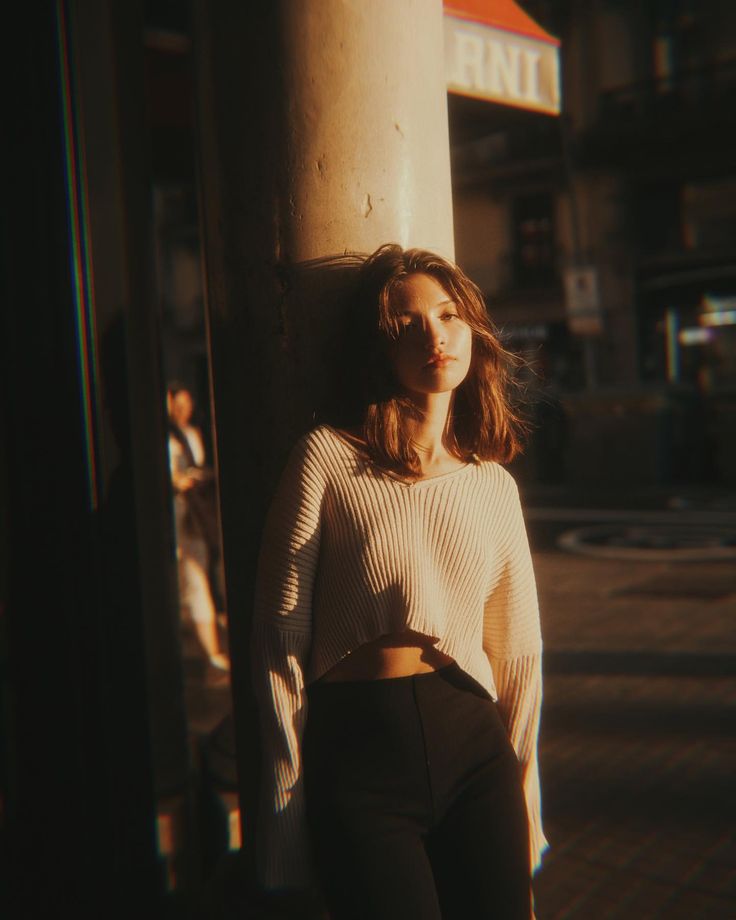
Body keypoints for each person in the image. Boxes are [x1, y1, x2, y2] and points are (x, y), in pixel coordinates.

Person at [251, 245, 547, 919]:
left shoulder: (493, 486)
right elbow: (277, 646)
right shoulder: (325, 459)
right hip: (360, 762)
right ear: (378, 348)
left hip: (475, 752)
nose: (434, 336)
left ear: (473, 330)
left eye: (448, 315)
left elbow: (520, 660)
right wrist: (281, 816)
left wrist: (528, 807)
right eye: (406, 323)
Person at [167, 383, 229, 673]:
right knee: (193, 582)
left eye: (184, 405)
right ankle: (210, 655)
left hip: (194, 512)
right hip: (177, 514)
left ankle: (211, 654)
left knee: (198, 576)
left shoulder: (190, 434)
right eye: (175, 405)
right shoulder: (166, 438)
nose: (180, 410)